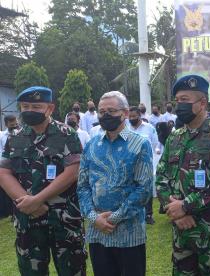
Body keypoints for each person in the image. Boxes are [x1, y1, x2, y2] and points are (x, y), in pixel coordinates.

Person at [0, 86, 86, 275]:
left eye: (37, 106)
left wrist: (37, 200)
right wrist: (27, 202)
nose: (30, 110)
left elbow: (74, 171)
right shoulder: (14, 138)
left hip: (64, 220)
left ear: (50, 108)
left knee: (72, 270)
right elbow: (4, 173)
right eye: (25, 106)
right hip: (28, 220)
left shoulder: (67, 134)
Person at [156, 75, 210, 275]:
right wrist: (175, 211)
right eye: (177, 101)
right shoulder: (174, 137)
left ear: (202, 103)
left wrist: (185, 206)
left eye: (185, 100)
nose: (179, 105)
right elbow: (161, 177)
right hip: (181, 232)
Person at [77, 91, 153, 276]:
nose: (105, 115)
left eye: (111, 110)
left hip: (129, 233)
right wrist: (94, 218)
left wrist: (114, 218)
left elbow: (143, 189)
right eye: (102, 111)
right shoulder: (91, 145)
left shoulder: (140, 144)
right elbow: (82, 186)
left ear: (125, 113)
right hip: (98, 233)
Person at [128, 106, 159, 225]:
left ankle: (148, 214)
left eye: (134, 116)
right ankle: (134, 213)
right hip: (131, 163)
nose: (132, 118)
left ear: (140, 116)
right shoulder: (126, 129)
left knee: (147, 189)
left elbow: (155, 143)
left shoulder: (149, 128)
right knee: (132, 188)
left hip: (146, 164)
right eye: (130, 117)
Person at [0, 114, 17, 218]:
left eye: (16, 124)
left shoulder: (21, 134)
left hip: (17, 165)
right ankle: (7, 211)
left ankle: (15, 209)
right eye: (12, 125)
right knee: (5, 189)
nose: (15, 126)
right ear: (6, 124)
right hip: (5, 166)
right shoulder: (2, 136)